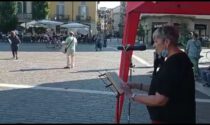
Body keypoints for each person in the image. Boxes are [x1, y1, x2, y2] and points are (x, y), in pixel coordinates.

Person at [121, 25, 195, 123]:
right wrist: (136, 85)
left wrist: (132, 96)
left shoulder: (173, 64)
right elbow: (164, 88)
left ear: (167, 42)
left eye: (156, 41)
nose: (154, 45)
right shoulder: (178, 58)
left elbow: (159, 100)